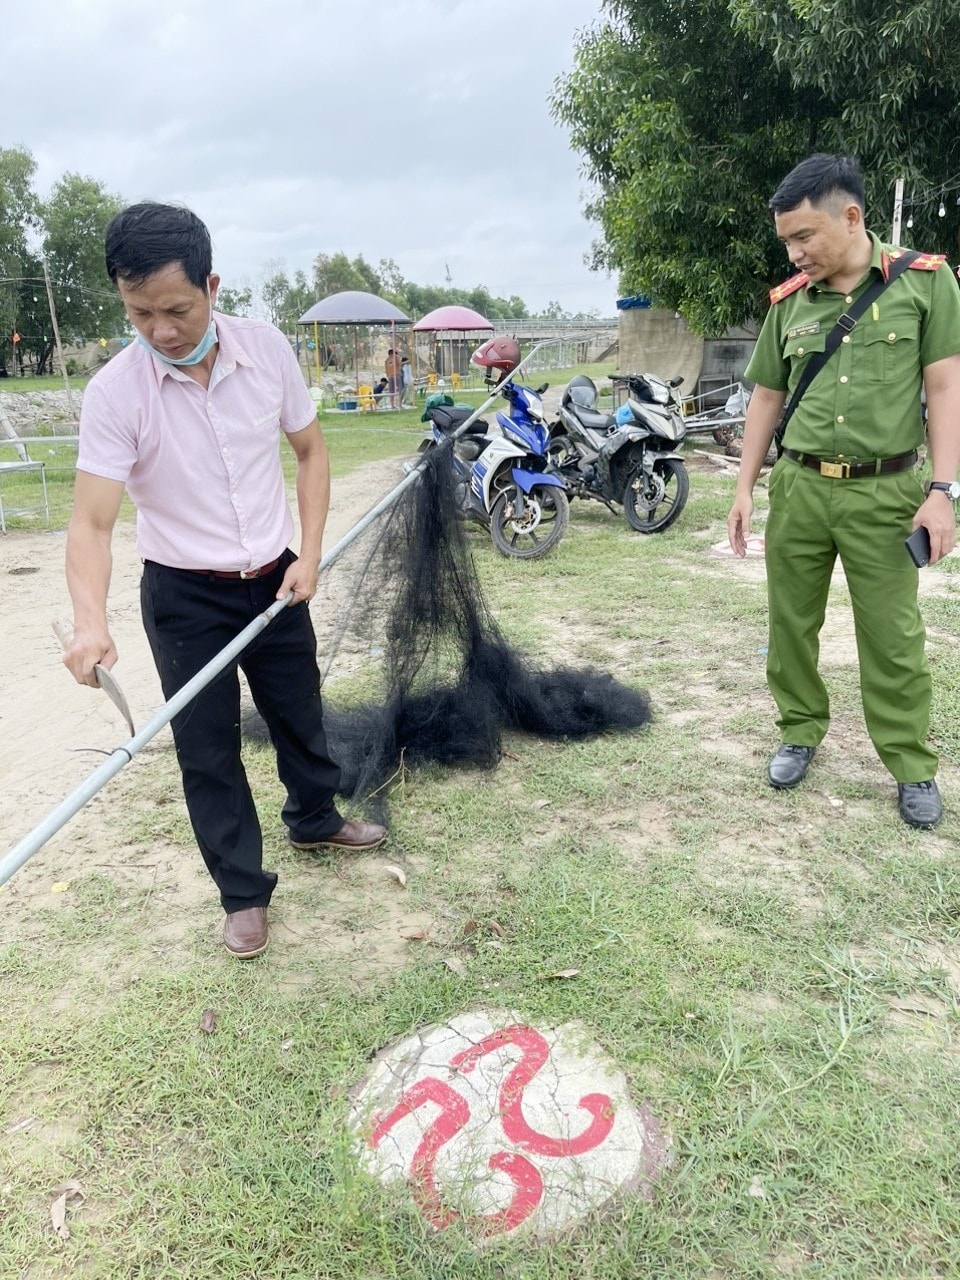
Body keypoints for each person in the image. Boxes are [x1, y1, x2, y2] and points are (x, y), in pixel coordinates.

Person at [63, 202, 386, 960]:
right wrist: (88, 620)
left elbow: (310, 452)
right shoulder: (115, 393)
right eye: (139, 313)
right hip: (183, 595)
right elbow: (91, 524)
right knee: (205, 748)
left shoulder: (266, 350)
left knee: (298, 710)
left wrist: (307, 554)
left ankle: (314, 819)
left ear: (212, 283)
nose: (161, 330)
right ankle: (242, 892)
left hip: (275, 580)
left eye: (176, 308)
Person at [727, 153, 960, 830]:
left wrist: (942, 490)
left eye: (805, 237)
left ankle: (911, 765)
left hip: (886, 493)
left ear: (852, 217)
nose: (796, 253)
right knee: (790, 624)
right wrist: (744, 488)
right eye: (787, 243)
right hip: (799, 486)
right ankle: (799, 728)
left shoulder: (927, 284)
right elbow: (767, 394)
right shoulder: (788, 304)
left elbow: (946, 389)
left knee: (892, 636)